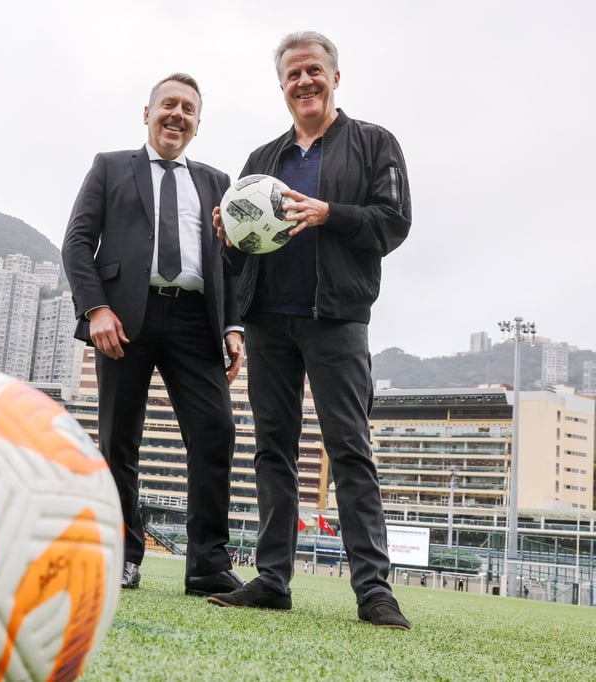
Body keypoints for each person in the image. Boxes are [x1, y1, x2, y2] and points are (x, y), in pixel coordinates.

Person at [207, 31, 412, 631]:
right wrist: (228, 236)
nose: (305, 82)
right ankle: (273, 580)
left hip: (338, 320)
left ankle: (373, 591)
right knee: (273, 452)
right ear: (282, 86)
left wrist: (330, 214)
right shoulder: (260, 162)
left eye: (314, 71)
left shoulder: (374, 143)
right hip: (269, 322)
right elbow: (237, 258)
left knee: (349, 451)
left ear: (335, 77)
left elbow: (394, 223)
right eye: (293, 74)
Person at [62, 73, 245, 596]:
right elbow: (77, 243)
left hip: (195, 321)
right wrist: (96, 308)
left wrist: (233, 325)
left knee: (216, 434)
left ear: (197, 123)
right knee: (119, 439)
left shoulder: (216, 181)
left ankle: (208, 563)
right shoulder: (110, 166)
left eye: (188, 108)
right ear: (147, 113)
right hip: (122, 320)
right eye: (168, 104)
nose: (177, 115)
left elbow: (231, 262)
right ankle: (124, 554)